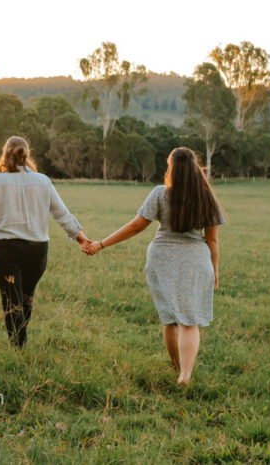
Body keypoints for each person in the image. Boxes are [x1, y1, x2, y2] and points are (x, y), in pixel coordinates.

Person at [84, 146, 225, 385]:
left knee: (169, 319)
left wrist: (101, 243)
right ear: (194, 169)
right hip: (195, 260)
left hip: (162, 259)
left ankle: (176, 367)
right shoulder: (206, 197)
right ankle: (185, 375)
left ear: (172, 168)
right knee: (189, 320)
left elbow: (136, 226)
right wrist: (215, 270)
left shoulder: (160, 194)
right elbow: (211, 240)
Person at [0, 136, 91, 348]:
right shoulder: (43, 181)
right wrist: (82, 239)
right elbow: (62, 214)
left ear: (5, 154)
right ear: (27, 154)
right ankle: (21, 343)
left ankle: (19, 347)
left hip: (7, 249)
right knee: (25, 298)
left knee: (12, 301)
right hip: (37, 250)